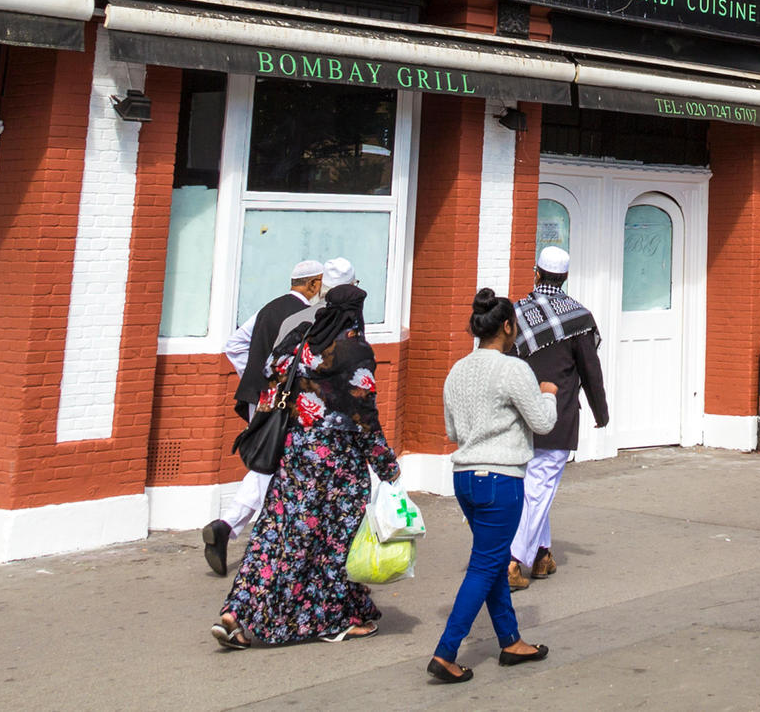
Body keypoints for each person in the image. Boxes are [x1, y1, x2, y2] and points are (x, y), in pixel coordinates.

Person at [210, 277, 392, 648]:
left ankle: (236, 610)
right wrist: (386, 465)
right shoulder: (355, 351)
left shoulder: (303, 343)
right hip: (337, 464)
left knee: (275, 533)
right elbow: (364, 414)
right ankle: (331, 619)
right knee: (334, 541)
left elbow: (269, 371)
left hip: (295, 454)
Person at [431, 288, 559, 684]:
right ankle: (446, 651)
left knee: (492, 559)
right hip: (501, 479)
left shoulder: (457, 370)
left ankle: (511, 640)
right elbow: (542, 422)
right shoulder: (513, 369)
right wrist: (549, 395)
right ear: (506, 326)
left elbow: (453, 431)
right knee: (485, 565)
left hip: (464, 478)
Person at [205, 258, 328, 575]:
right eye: (320, 284)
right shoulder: (307, 316)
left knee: (268, 460)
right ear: (313, 284)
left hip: (255, 397)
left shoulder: (268, 308)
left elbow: (234, 344)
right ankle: (243, 532)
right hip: (284, 400)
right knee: (271, 462)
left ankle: (227, 528)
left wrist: (256, 376)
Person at [508, 245, 607, 590]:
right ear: (565, 278)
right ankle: (515, 559)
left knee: (533, 485)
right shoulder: (578, 317)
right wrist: (601, 412)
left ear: (536, 273)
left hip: (519, 413)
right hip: (559, 414)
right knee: (539, 487)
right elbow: (590, 369)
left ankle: (541, 555)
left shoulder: (516, 314)